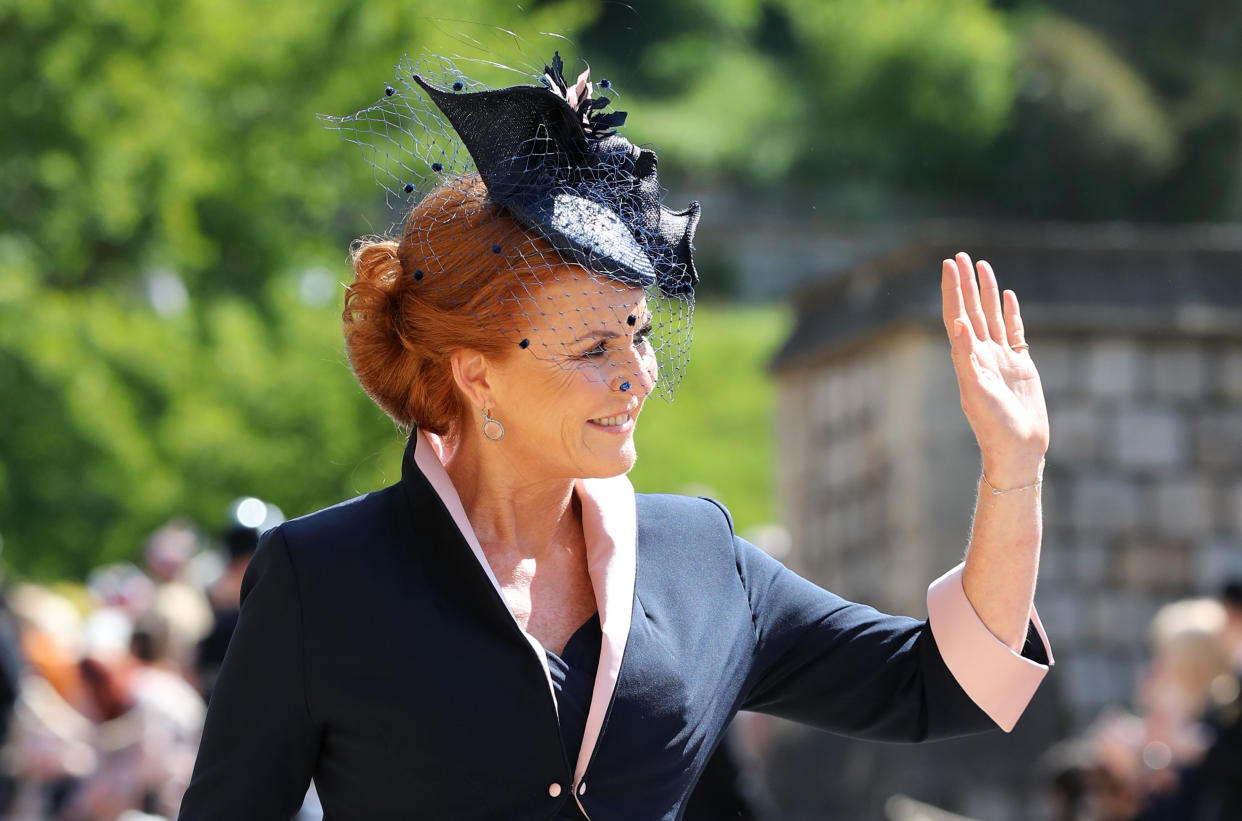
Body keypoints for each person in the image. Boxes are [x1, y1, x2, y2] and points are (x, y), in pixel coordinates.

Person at [178, 50, 1054, 820]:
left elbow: (947, 684)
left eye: (637, 332)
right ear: (476, 373)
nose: (638, 373)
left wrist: (1012, 471)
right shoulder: (320, 577)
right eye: (593, 347)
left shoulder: (701, 556)